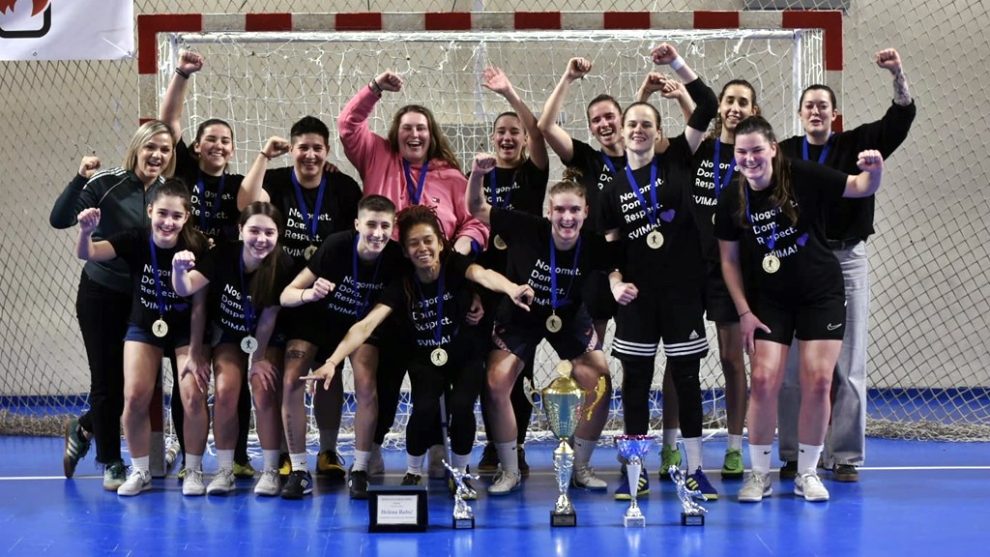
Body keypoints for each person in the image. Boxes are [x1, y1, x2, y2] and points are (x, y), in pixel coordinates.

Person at [714, 115, 884, 503]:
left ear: (773, 149)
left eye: (757, 150)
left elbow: (860, 187)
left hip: (820, 293)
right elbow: (728, 260)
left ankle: (807, 472)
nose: (749, 159)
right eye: (741, 152)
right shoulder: (731, 198)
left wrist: (875, 171)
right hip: (769, 301)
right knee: (764, 380)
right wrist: (744, 312)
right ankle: (759, 475)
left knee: (819, 381)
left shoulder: (802, 174)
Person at [304, 205, 532, 493]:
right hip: (425, 357)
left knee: (462, 407)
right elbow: (365, 325)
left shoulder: (454, 264)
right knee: (423, 409)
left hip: (465, 354)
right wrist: (332, 361)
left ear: (440, 243)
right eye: (414, 243)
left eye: (428, 240)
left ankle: (460, 474)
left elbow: (484, 274)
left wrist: (511, 288)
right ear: (405, 250)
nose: (422, 248)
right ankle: (413, 472)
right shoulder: (402, 283)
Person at [538, 60, 695, 477]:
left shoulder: (649, 154)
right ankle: (578, 455)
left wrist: (647, 96)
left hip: (647, 274)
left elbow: (659, 129)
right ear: (591, 128)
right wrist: (568, 77)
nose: (605, 124)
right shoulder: (589, 161)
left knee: (662, 365)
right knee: (595, 366)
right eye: (597, 120)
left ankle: (664, 447)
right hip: (601, 274)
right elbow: (546, 126)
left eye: (611, 116)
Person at [338, 70, 490, 477]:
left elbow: (476, 222)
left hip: (438, 285)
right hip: (388, 283)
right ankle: (369, 453)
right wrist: (374, 89)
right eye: (407, 128)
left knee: (435, 375)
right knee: (385, 381)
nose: (414, 134)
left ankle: (439, 451)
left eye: (421, 128)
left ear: (432, 133)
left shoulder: (451, 176)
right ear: (396, 132)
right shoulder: (377, 156)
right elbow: (348, 125)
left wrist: (460, 253)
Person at [776, 48, 915, 482]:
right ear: (800, 114)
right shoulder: (784, 153)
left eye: (823, 106)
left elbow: (900, 119)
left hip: (847, 260)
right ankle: (792, 453)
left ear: (834, 115)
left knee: (848, 364)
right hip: (797, 261)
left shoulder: (856, 144)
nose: (816, 111)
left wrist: (897, 74)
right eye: (809, 106)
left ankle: (846, 455)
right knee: (793, 365)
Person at [600, 44, 719, 501]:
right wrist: (615, 282)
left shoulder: (678, 161)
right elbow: (609, 249)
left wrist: (676, 64)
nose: (638, 130)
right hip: (637, 300)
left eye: (646, 124)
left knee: (687, 380)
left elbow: (706, 104)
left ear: (658, 131)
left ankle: (695, 470)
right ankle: (635, 472)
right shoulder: (612, 189)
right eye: (631, 124)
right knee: (635, 382)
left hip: (683, 294)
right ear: (622, 132)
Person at [466, 153, 612, 495]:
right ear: (549, 211)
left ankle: (580, 466)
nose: (567, 217)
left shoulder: (593, 243)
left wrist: (618, 283)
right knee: (496, 382)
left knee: (601, 380)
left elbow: (620, 264)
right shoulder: (525, 227)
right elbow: (476, 207)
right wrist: (476, 174)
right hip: (521, 312)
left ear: (585, 212)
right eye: (560, 210)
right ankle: (509, 469)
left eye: (574, 210)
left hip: (567, 315)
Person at [49, 120, 176, 490]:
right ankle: (111, 462)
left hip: (145, 299)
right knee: (106, 381)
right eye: (151, 146)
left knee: (136, 384)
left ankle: (84, 427)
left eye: (165, 149)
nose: (157, 155)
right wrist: (79, 179)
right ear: (137, 147)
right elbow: (59, 220)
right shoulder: (106, 182)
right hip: (101, 293)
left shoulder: (169, 192)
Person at [242, 116, 362, 497]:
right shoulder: (277, 181)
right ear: (292, 149)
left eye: (317, 148)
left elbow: (356, 237)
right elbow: (247, 204)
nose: (310, 155)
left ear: (327, 151)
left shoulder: (343, 187)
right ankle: (288, 459)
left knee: (328, 376)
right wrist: (264, 155)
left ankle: (327, 451)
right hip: (283, 295)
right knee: (282, 377)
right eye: (303, 147)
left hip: (330, 297)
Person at [159, 49, 264, 479]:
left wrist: (264, 157)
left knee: (230, 375)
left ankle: (236, 456)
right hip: (183, 282)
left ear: (232, 149)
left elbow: (256, 203)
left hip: (223, 290)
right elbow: (168, 123)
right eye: (211, 139)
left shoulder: (238, 184)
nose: (218, 145)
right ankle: (191, 460)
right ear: (197, 146)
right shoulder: (183, 171)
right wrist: (182, 74)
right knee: (187, 372)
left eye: (225, 141)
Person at [75, 178, 210, 497]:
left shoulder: (198, 245)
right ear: (150, 211)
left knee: (192, 395)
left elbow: (200, 305)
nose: (168, 222)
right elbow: (88, 253)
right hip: (145, 325)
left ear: (186, 217)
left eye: (176, 216)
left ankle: (193, 469)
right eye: (162, 213)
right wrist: (85, 232)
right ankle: (140, 470)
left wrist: (195, 352)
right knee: (134, 396)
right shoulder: (136, 238)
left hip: (185, 330)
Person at [279, 195, 404, 499]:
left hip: (360, 327)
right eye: (371, 224)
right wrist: (309, 294)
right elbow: (286, 295)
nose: (377, 233)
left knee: (366, 384)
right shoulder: (336, 246)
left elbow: (366, 326)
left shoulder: (396, 260)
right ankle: (299, 470)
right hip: (317, 320)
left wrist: (332, 362)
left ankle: (359, 469)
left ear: (393, 227)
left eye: (385, 226)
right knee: (292, 379)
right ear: (357, 224)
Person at [171, 202, 294, 496]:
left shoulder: (283, 265)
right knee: (226, 390)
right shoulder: (222, 255)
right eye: (254, 231)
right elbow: (193, 297)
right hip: (227, 332)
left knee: (264, 388)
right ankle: (224, 471)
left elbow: (269, 317)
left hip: (265, 335)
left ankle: (271, 471)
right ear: (240, 229)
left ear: (278, 234)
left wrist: (259, 359)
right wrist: (195, 351)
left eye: (269, 232)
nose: (261, 239)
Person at [677, 79, 761, 480]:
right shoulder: (700, 149)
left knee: (731, 358)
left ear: (753, 111)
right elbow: (690, 123)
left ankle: (734, 447)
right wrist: (680, 94)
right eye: (729, 100)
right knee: (681, 359)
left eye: (743, 102)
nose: (734, 107)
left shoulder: (753, 156)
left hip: (733, 268)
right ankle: (671, 447)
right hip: (691, 266)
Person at [472, 66, 550, 477]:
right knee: (488, 369)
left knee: (520, 373)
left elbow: (538, 132)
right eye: (501, 132)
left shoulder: (532, 174)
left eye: (513, 132)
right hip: (485, 284)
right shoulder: (480, 175)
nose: (507, 137)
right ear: (493, 138)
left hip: (523, 287)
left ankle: (516, 447)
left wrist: (508, 93)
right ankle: (493, 443)